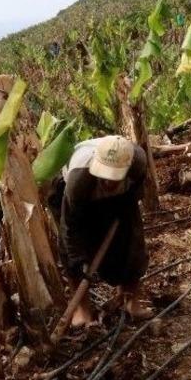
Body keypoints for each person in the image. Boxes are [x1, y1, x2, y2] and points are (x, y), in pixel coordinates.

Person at [58, 135, 152, 326]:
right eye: (105, 175)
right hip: (74, 199)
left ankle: (129, 300)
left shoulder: (138, 163)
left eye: (114, 176)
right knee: (71, 253)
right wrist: (81, 260)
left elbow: (135, 194)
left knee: (133, 242)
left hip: (122, 198)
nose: (108, 181)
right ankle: (82, 309)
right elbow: (71, 228)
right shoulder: (79, 181)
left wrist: (120, 215)